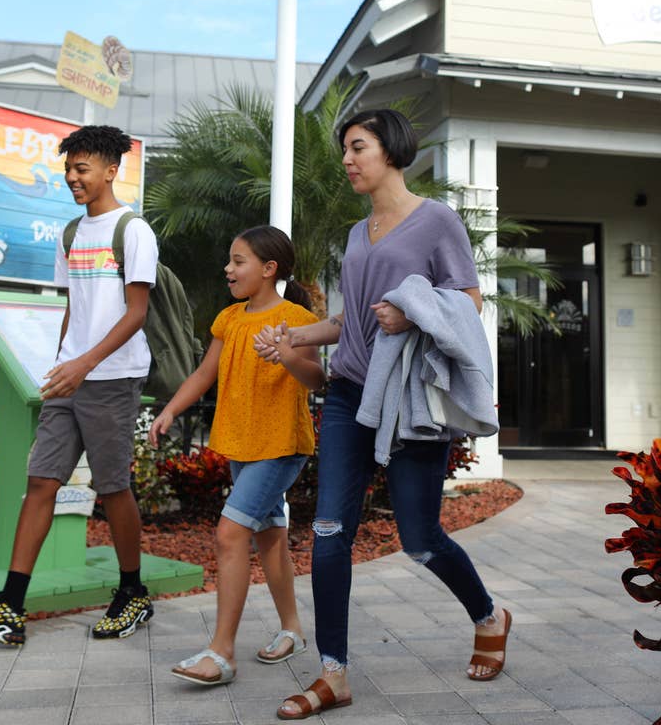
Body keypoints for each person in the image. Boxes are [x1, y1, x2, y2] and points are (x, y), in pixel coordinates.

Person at [257, 109, 509, 721]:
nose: (347, 160)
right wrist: (294, 337)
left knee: (419, 540)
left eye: (357, 147)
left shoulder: (437, 220)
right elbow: (354, 319)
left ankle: (488, 617)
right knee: (328, 532)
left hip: (408, 399)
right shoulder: (356, 233)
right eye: (345, 150)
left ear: (391, 149)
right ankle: (333, 675)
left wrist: (412, 311)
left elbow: (469, 302)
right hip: (350, 393)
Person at [0, 125, 157, 646]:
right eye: (68, 169)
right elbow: (73, 308)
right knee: (41, 481)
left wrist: (85, 363)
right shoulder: (70, 233)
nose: (72, 178)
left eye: (82, 168)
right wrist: (63, 364)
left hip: (113, 377)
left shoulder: (132, 230)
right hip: (70, 378)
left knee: (112, 487)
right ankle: (10, 606)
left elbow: (136, 313)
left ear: (111, 170)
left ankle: (132, 592)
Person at [149, 225, 325, 685]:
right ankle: (293, 631)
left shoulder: (297, 319)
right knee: (270, 538)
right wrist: (170, 410)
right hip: (241, 442)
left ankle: (221, 653)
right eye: (230, 260)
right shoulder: (229, 318)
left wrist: (286, 355)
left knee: (230, 534)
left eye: (238, 260)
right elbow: (203, 374)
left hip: (280, 445)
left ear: (269, 269)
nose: (228, 268)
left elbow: (316, 379)